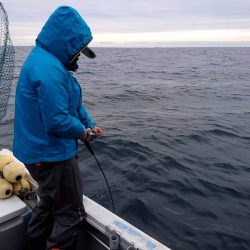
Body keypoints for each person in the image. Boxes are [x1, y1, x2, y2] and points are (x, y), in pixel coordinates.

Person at [13, 6, 103, 250]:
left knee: (48, 204)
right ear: (67, 43)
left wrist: (89, 124)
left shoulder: (44, 60)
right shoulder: (49, 69)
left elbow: (69, 104)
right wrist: (83, 133)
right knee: (70, 214)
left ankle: (32, 244)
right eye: (77, 51)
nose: (78, 57)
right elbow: (57, 121)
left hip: (38, 154)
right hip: (53, 156)